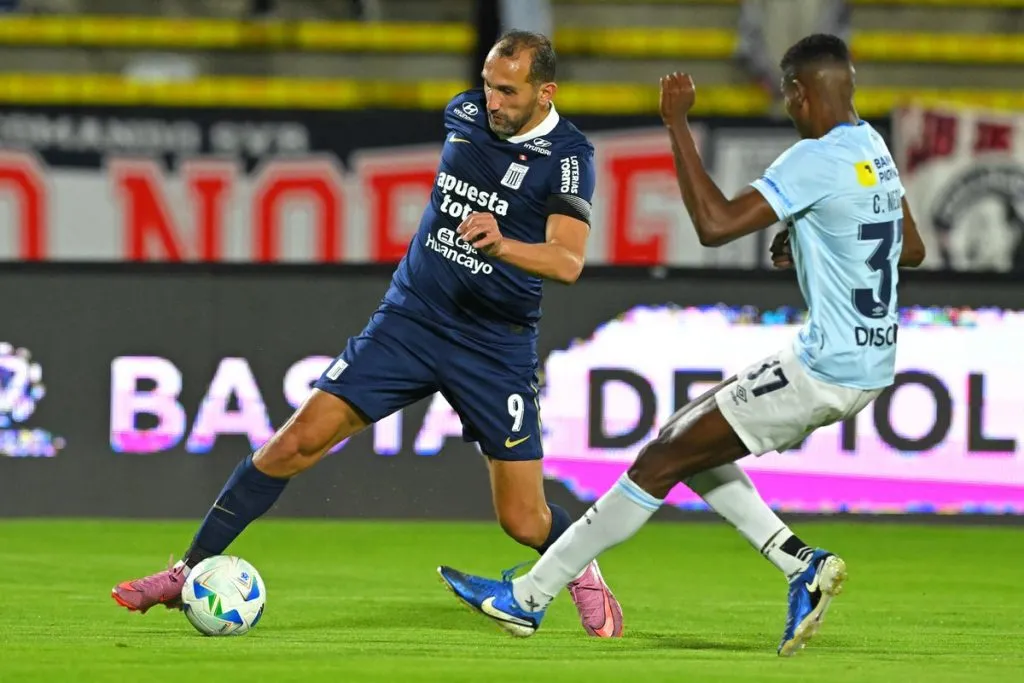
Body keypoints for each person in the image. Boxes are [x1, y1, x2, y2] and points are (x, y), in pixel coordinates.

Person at [111, 30, 624, 640]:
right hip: (411, 320)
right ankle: (186, 569)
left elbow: (568, 262)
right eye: (487, 85)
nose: (491, 100)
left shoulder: (569, 158)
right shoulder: (463, 114)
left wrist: (503, 242)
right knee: (293, 444)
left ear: (546, 92)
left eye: (507, 91)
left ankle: (582, 571)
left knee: (522, 518)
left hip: (493, 344)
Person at [437, 33, 926, 655]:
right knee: (688, 444)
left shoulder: (815, 158)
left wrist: (677, 124)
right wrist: (808, 239)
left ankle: (528, 597)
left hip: (823, 366)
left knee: (658, 462)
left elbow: (715, 225)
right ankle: (799, 562)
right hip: (870, 361)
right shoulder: (872, 148)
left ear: (800, 93)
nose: (788, 109)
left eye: (786, 97)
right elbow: (908, 247)